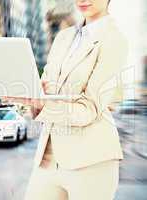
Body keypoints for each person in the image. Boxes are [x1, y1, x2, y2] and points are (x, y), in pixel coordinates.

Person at [23, 0, 129, 199]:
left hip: (92, 161)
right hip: (48, 158)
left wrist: (44, 104)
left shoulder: (115, 41)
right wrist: (31, 98)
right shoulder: (63, 37)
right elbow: (45, 90)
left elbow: (88, 108)